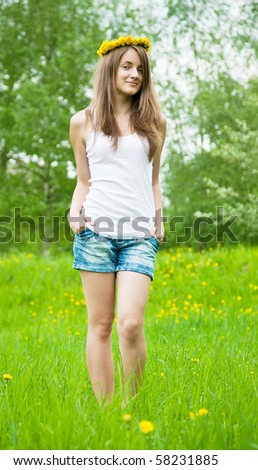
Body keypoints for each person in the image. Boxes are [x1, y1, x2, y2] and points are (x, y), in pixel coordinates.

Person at [68, 35, 166, 405]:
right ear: (110, 69)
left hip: (139, 234)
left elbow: (153, 180)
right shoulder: (83, 122)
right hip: (95, 233)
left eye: (140, 68)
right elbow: (83, 180)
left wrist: (159, 220)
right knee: (101, 324)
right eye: (127, 66)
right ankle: (107, 412)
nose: (135, 73)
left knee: (130, 323)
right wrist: (75, 211)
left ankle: (133, 406)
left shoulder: (155, 122)